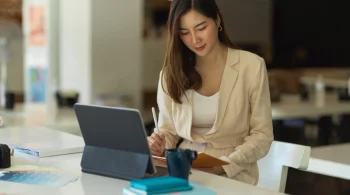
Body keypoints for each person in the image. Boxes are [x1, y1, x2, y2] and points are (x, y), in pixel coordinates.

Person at [147, 0, 273, 185]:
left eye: (201, 28)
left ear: (217, 20)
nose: (194, 39)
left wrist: (224, 165)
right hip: (184, 173)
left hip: (234, 176)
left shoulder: (251, 66)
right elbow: (169, 131)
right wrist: (158, 145)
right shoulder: (170, 74)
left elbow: (262, 136)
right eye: (185, 33)